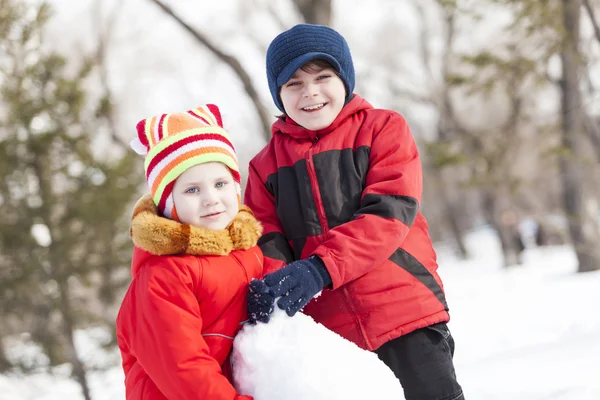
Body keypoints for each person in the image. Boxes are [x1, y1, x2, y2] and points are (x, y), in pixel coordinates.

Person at [244, 24, 464, 400]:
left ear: (344, 79)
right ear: (278, 94)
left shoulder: (383, 129)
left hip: (405, 315)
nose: (310, 91)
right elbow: (265, 239)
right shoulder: (264, 167)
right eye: (293, 83)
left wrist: (319, 268)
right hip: (332, 337)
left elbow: (389, 213)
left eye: (322, 77)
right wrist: (277, 289)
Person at [116, 105, 263, 400]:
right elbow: (185, 369)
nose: (211, 199)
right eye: (192, 190)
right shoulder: (161, 277)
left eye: (220, 184)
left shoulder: (251, 252)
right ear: (169, 205)